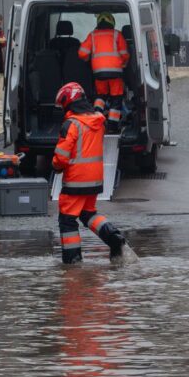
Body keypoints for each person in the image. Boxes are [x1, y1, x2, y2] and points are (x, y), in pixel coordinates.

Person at [52, 82, 127, 264]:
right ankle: (113, 237)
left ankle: (73, 260)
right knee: (88, 214)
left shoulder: (71, 124)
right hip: (95, 181)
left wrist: (56, 166)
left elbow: (61, 158)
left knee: (67, 221)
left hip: (75, 182)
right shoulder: (98, 121)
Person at [78, 12, 130, 133]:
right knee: (116, 98)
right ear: (112, 22)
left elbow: (82, 53)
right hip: (116, 73)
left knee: (100, 96)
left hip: (98, 73)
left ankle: (97, 119)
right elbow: (124, 54)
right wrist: (124, 64)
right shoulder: (117, 35)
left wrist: (88, 59)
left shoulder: (92, 35)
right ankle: (112, 126)